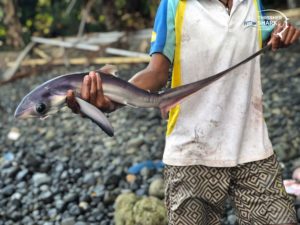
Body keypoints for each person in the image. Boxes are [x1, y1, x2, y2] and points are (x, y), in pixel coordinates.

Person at [67, 0, 300, 224]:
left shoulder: (251, 2)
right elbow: (156, 73)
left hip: (253, 148)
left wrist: (282, 32)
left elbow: (262, 30)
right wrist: (111, 98)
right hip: (192, 153)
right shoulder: (173, 5)